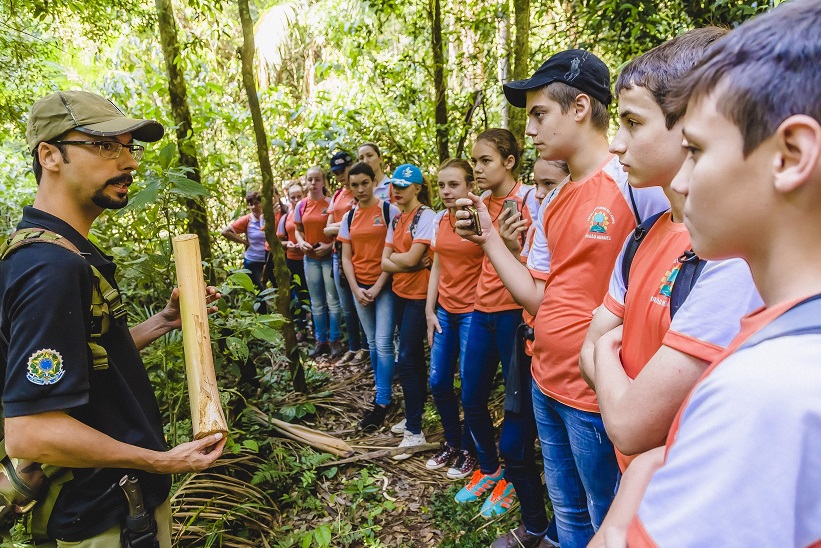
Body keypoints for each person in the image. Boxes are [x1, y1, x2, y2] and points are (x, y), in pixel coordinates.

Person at [593, 3, 821, 545]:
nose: (683, 180)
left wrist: (626, 512)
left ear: (790, 156)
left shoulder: (762, 394)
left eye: (695, 150)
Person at [456, 51, 668, 546]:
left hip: (597, 392)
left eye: (538, 114)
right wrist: (488, 238)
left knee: (607, 512)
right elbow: (538, 295)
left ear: (578, 107)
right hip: (544, 379)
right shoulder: (553, 199)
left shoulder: (636, 185)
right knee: (568, 509)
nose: (529, 130)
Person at [0, 90, 225, 546]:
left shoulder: (61, 250)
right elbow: (29, 433)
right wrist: (160, 461)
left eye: (129, 147)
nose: (130, 163)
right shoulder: (50, 268)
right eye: (105, 146)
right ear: (50, 156)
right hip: (99, 516)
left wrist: (163, 321)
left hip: (119, 506)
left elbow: (84, 356)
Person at [579, 27, 762, 474]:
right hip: (637, 477)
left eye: (633, 123)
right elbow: (585, 353)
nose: (617, 143)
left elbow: (630, 422)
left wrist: (607, 354)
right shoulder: (641, 236)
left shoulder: (731, 254)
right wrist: (605, 360)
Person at [453, 129, 539, 521]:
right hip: (480, 308)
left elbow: (536, 263)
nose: (478, 168)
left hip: (514, 313)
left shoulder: (529, 200)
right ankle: (490, 468)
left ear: (508, 161)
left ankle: (516, 474)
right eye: (475, 161)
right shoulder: (481, 202)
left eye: (485, 160)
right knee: (471, 397)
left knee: (515, 403)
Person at [491, 157, 569, 548]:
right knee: (514, 449)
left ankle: (557, 531)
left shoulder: (592, 223)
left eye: (548, 184)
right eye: (535, 184)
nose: (537, 195)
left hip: (568, 364)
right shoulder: (538, 229)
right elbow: (533, 287)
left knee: (571, 467)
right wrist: (512, 247)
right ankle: (538, 526)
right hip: (531, 350)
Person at [424, 158, 483, 479]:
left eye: (454, 184)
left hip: (474, 313)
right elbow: (437, 266)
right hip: (445, 311)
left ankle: (472, 451)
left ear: (469, 187)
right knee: (439, 381)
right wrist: (429, 310)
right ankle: (453, 441)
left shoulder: (478, 219)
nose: (446, 191)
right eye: (442, 185)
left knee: (472, 387)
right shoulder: (439, 221)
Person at [338, 162, 401, 429]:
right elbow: (346, 257)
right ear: (348, 187)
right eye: (355, 185)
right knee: (373, 344)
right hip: (359, 287)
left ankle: (382, 402)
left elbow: (396, 251)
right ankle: (381, 391)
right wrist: (356, 289)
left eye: (365, 183)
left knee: (384, 342)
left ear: (374, 182)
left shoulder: (389, 211)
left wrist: (376, 287)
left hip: (384, 285)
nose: (360, 189)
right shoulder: (348, 217)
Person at [381, 164, 436, 459]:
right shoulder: (397, 219)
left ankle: (415, 430)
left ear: (417, 188)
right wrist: (409, 262)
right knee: (410, 360)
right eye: (395, 186)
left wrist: (404, 260)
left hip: (419, 297)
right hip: (401, 293)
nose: (397, 191)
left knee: (407, 360)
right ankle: (414, 417)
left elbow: (415, 256)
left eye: (403, 186)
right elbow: (385, 262)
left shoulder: (425, 216)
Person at [294, 166, 344, 359]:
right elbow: (298, 228)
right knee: (316, 302)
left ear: (324, 182)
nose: (313, 183)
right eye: (310, 179)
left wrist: (329, 245)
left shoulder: (331, 203)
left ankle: (335, 340)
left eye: (317, 179)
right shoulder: (301, 205)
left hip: (328, 257)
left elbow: (341, 229)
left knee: (333, 300)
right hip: (310, 258)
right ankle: (320, 341)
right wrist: (301, 242)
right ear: (306, 182)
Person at [325, 151, 369, 366]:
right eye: (336, 172)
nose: (340, 175)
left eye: (343, 170)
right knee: (347, 306)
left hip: (362, 254)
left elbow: (363, 224)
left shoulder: (362, 191)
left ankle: (367, 348)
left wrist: (343, 226)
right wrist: (346, 225)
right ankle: (353, 347)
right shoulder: (337, 196)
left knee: (361, 302)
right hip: (339, 254)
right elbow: (328, 228)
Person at [277, 181, 310, 338]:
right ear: (288, 198)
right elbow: (277, 240)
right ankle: (302, 328)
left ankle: (319, 331)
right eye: (293, 197)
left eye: (299, 196)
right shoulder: (286, 217)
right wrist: (287, 244)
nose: (296, 200)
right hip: (293, 260)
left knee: (314, 296)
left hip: (312, 259)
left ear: (304, 195)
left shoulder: (311, 211)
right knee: (298, 295)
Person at [221, 190, 269, 290]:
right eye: (250, 204)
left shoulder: (269, 218)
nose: (253, 207)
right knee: (258, 292)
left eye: (256, 203)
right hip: (253, 260)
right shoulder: (247, 220)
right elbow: (225, 232)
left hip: (269, 260)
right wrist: (244, 242)